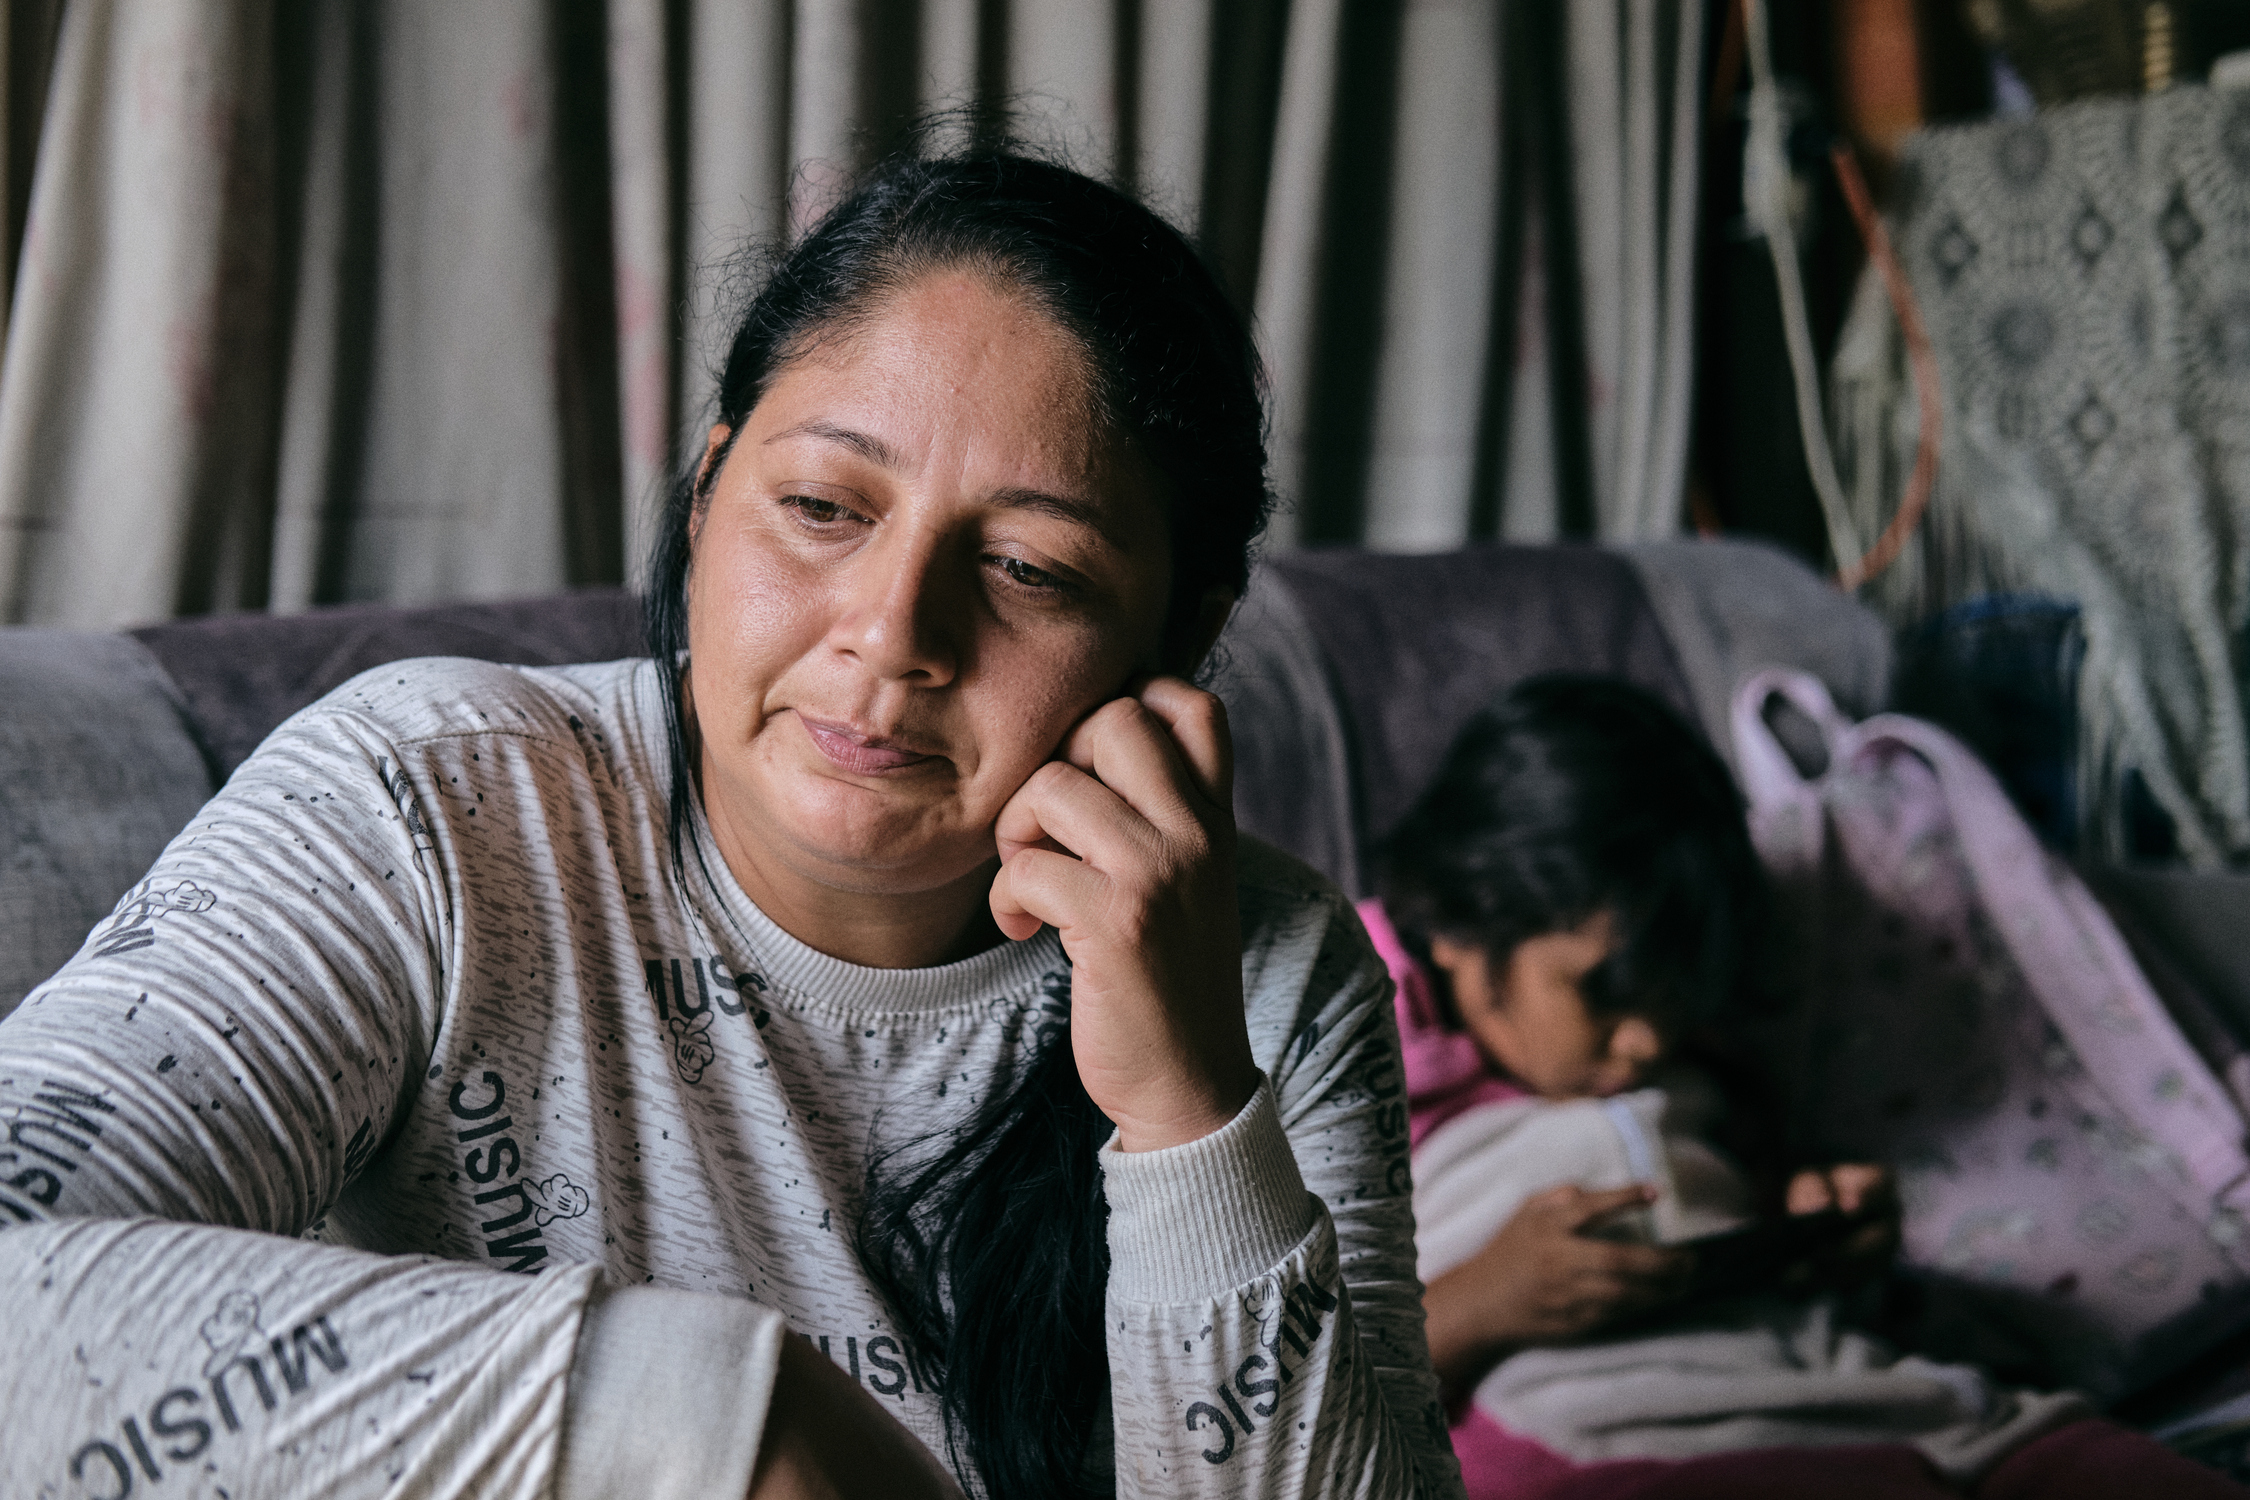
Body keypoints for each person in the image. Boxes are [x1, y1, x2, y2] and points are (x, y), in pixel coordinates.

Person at [0, 145, 1461, 1500]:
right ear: (707, 496)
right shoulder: (432, 803)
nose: (893, 634)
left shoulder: (1269, 974)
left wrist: (1189, 1117)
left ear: (1175, 635)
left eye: (1026, 567)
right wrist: (730, 1421)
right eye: (824, 505)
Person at [1367, 675, 2243, 1500]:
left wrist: (1817, 1226)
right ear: (1458, 923)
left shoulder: (1691, 1063)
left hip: (1821, 1373)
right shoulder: (1347, 1036)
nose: (1645, 1039)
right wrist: (1472, 1305)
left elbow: (1749, 1195)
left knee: (2070, 1455)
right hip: (1570, 1408)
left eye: (1673, 999)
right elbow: (1261, 1398)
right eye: (1599, 989)